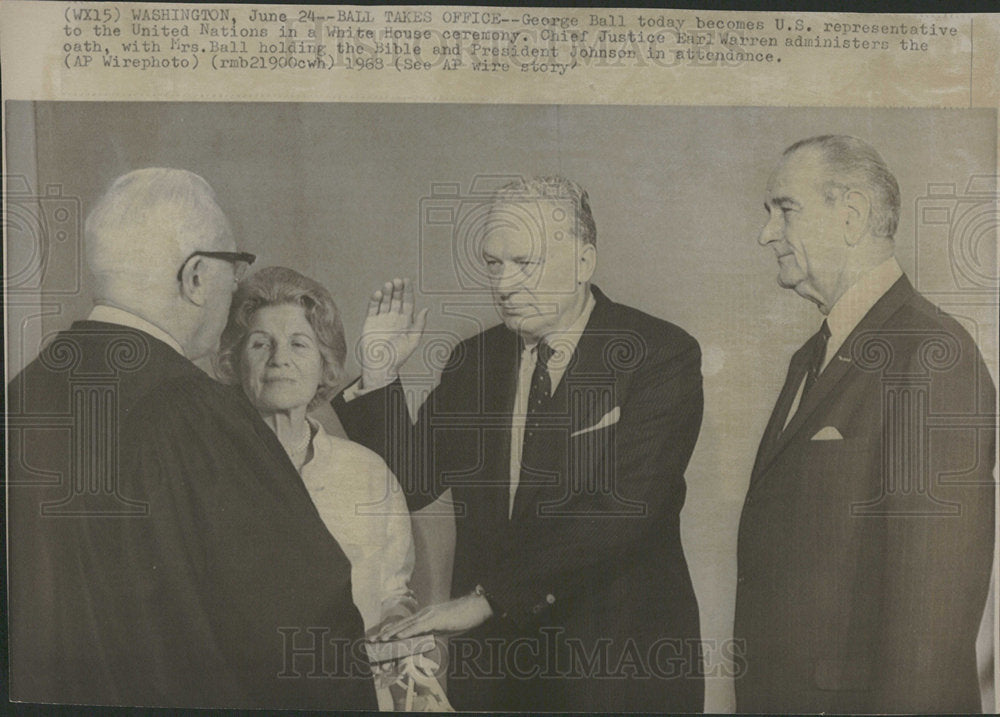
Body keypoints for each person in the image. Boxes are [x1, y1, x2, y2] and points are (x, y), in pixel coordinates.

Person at [6, 169, 376, 709]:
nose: (234, 289)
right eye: (235, 268)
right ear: (196, 276)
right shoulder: (197, 411)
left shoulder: (22, 395)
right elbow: (307, 631)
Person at [333, 176, 705, 711]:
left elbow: (623, 511)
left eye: (525, 263)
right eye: (493, 263)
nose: (504, 284)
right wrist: (378, 376)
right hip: (497, 671)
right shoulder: (472, 362)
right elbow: (415, 484)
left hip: (616, 667)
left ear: (584, 262)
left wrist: (489, 601)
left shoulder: (658, 354)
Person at [734, 135, 996, 712]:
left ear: (850, 216)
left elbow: (933, 616)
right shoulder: (811, 357)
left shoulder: (932, 353)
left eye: (785, 209)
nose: (766, 234)